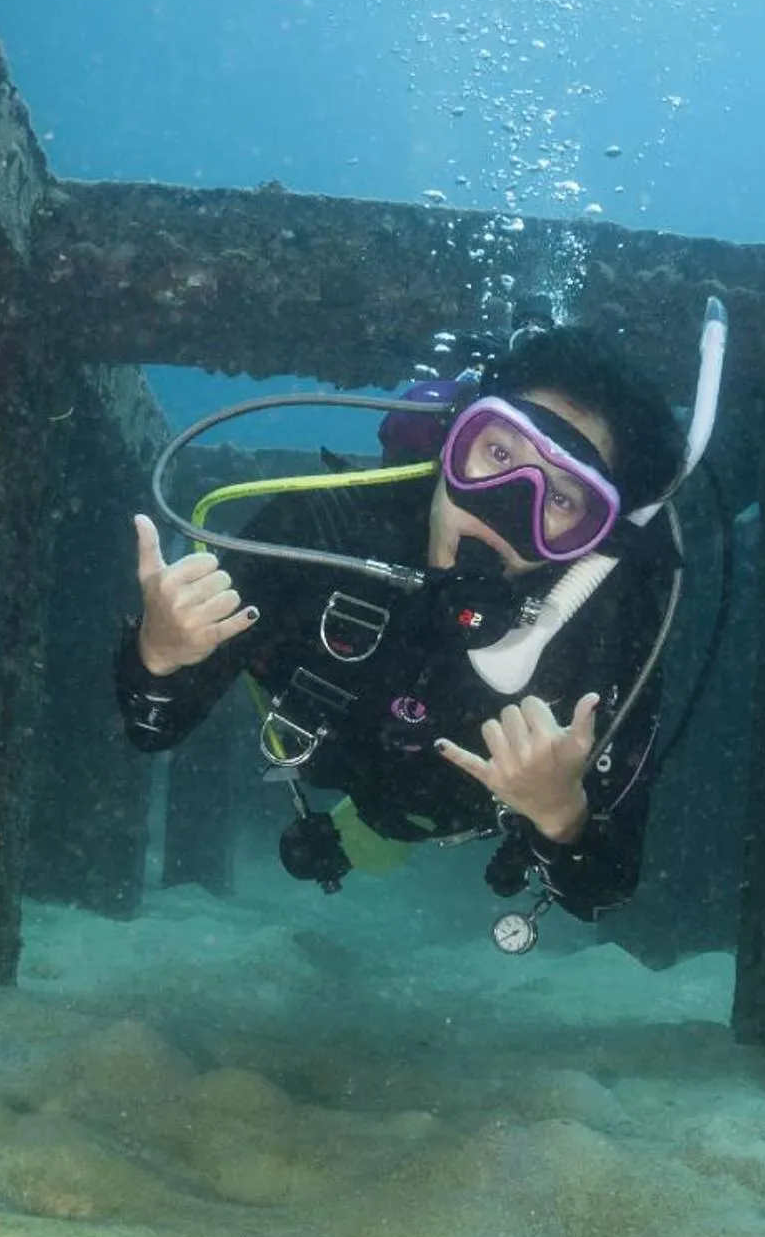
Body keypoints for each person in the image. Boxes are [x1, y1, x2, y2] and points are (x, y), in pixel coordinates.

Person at [111, 327, 689, 925]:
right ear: (452, 441)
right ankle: (360, 836)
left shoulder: (599, 635)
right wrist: (159, 653)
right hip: (348, 765)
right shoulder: (319, 536)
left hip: (459, 810)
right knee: (371, 827)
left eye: (563, 500)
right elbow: (152, 729)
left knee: (386, 829)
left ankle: (364, 838)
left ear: (591, 536)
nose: (506, 506)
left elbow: (603, 883)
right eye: (497, 453)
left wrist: (558, 815)